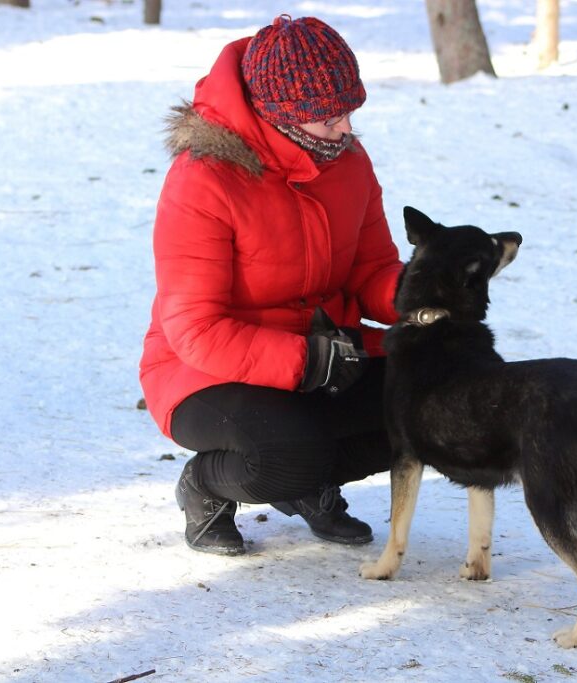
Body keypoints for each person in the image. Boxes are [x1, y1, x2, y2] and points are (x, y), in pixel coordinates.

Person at [139, 15, 404, 556]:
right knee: (286, 454)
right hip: (207, 371)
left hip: (326, 352)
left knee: (431, 402)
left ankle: (304, 483)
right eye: (330, 119)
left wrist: (421, 294)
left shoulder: (347, 163)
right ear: (281, 114)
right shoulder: (204, 179)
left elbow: (372, 268)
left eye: (351, 113)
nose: (347, 130)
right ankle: (208, 485)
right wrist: (304, 360)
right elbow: (195, 328)